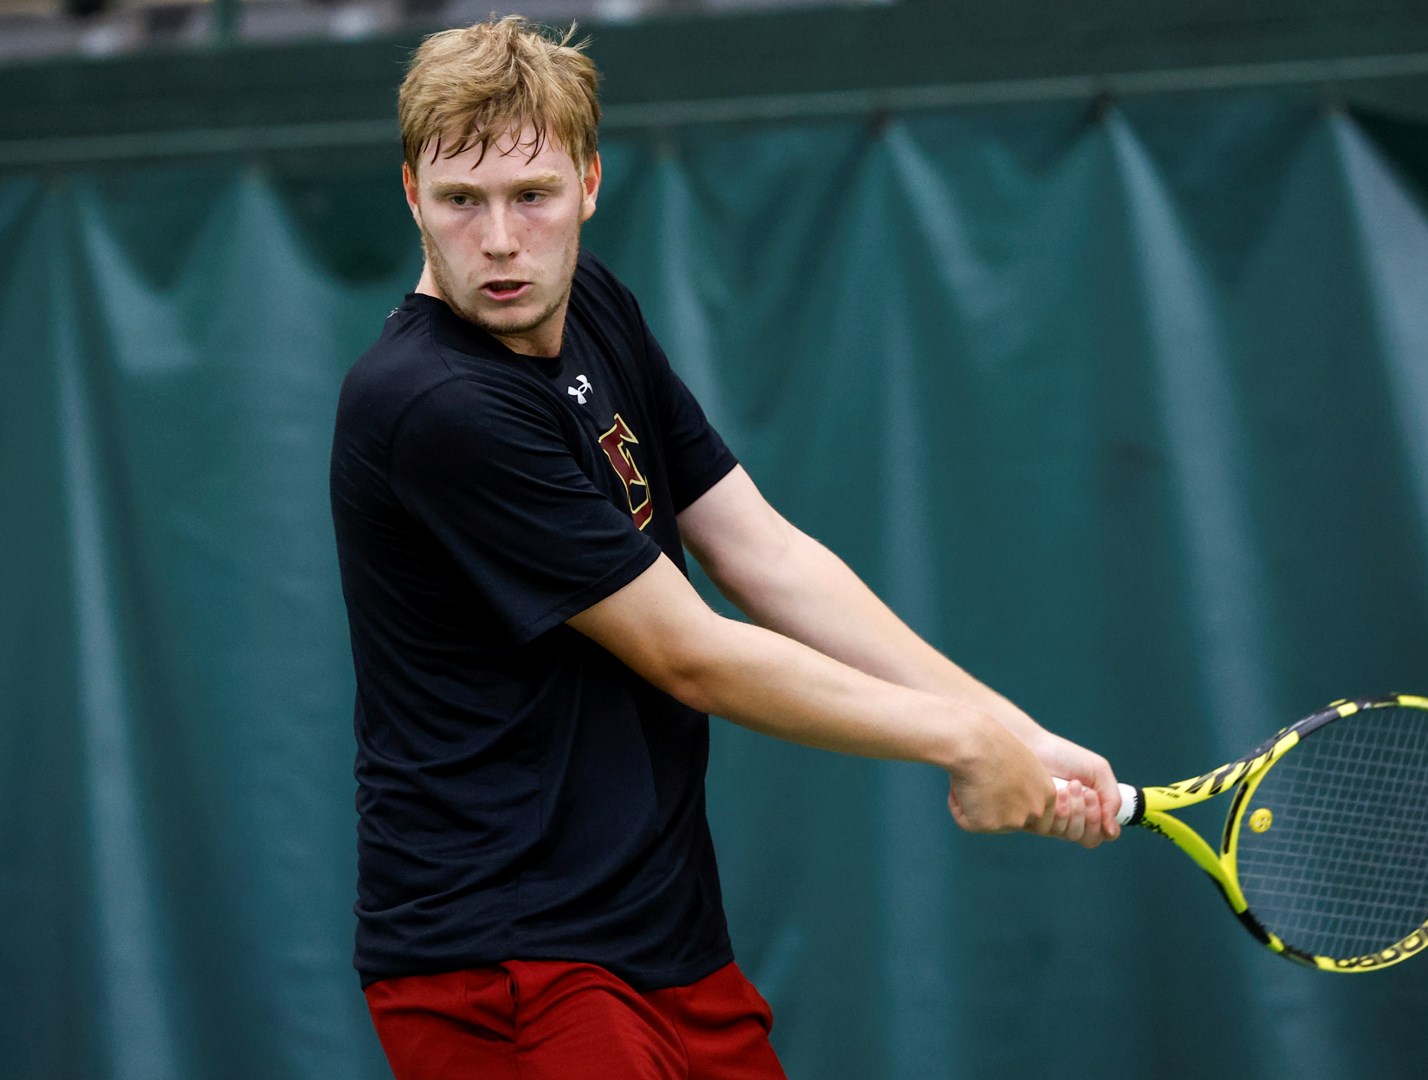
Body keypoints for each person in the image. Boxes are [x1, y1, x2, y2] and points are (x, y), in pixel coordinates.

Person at [329, 17, 1121, 1079]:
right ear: (412, 194)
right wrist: (962, 742)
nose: (503, 240)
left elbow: (766, 554)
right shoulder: (434, 403)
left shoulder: (593, 306)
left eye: (534, 195)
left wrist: (1010, 728)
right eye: (462, 200)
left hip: (667, 942)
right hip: (504, 967)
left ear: (590, 183)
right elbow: (689, 652)